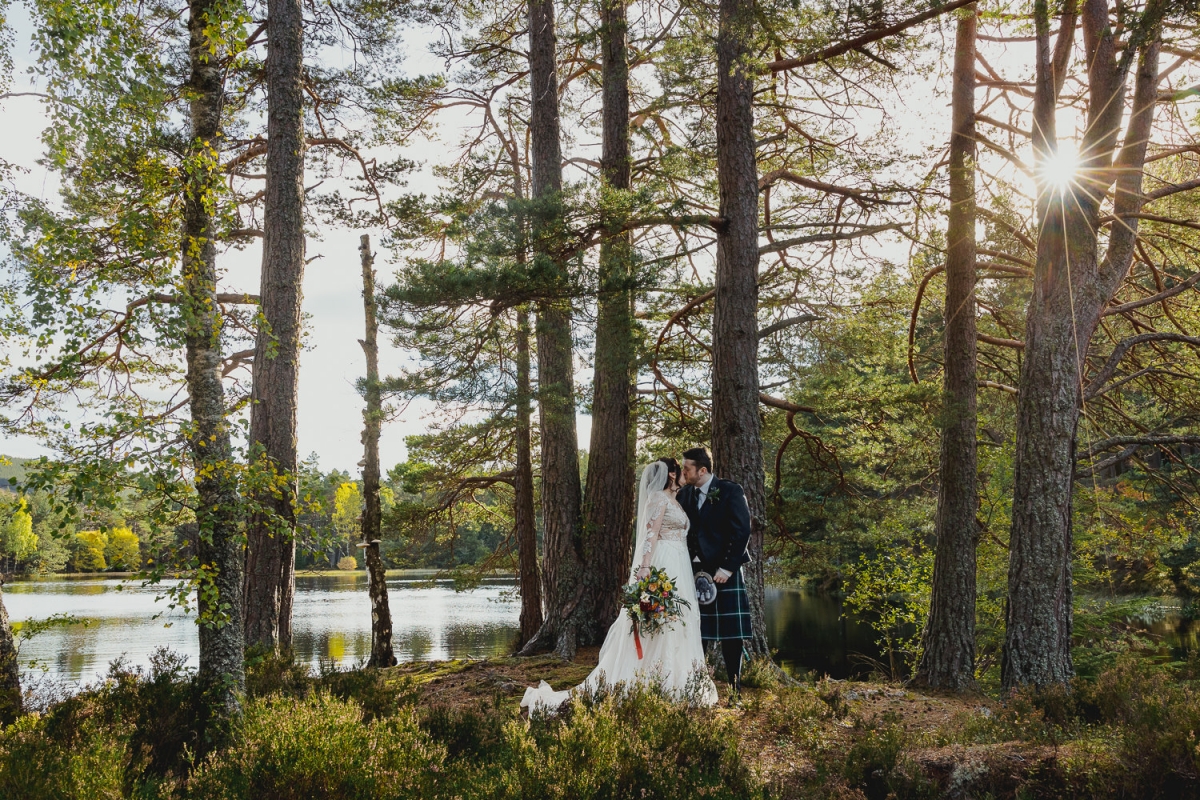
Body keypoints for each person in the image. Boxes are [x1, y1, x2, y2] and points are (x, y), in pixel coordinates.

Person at [520, 458, 718, 712]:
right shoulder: (657, 498)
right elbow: (650, 535)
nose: (684, 473)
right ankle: (654, 681)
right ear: (671, 474)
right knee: (661, 622)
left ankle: (679, 682)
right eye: (680, 469)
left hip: (680, 565)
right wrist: (645, 570)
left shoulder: (675, 500)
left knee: (680, 621)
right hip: (665, 564)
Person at [678, 446, 752, 699]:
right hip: (694, 573)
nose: (683, 471)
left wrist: (728, 568)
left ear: (703, 470)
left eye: (686, 468)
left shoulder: (731, 490)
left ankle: (735, 693)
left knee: (732, 638)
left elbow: (742, 531)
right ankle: (699, 692)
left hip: (723, 573)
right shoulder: (684, 495)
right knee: (699, 634)